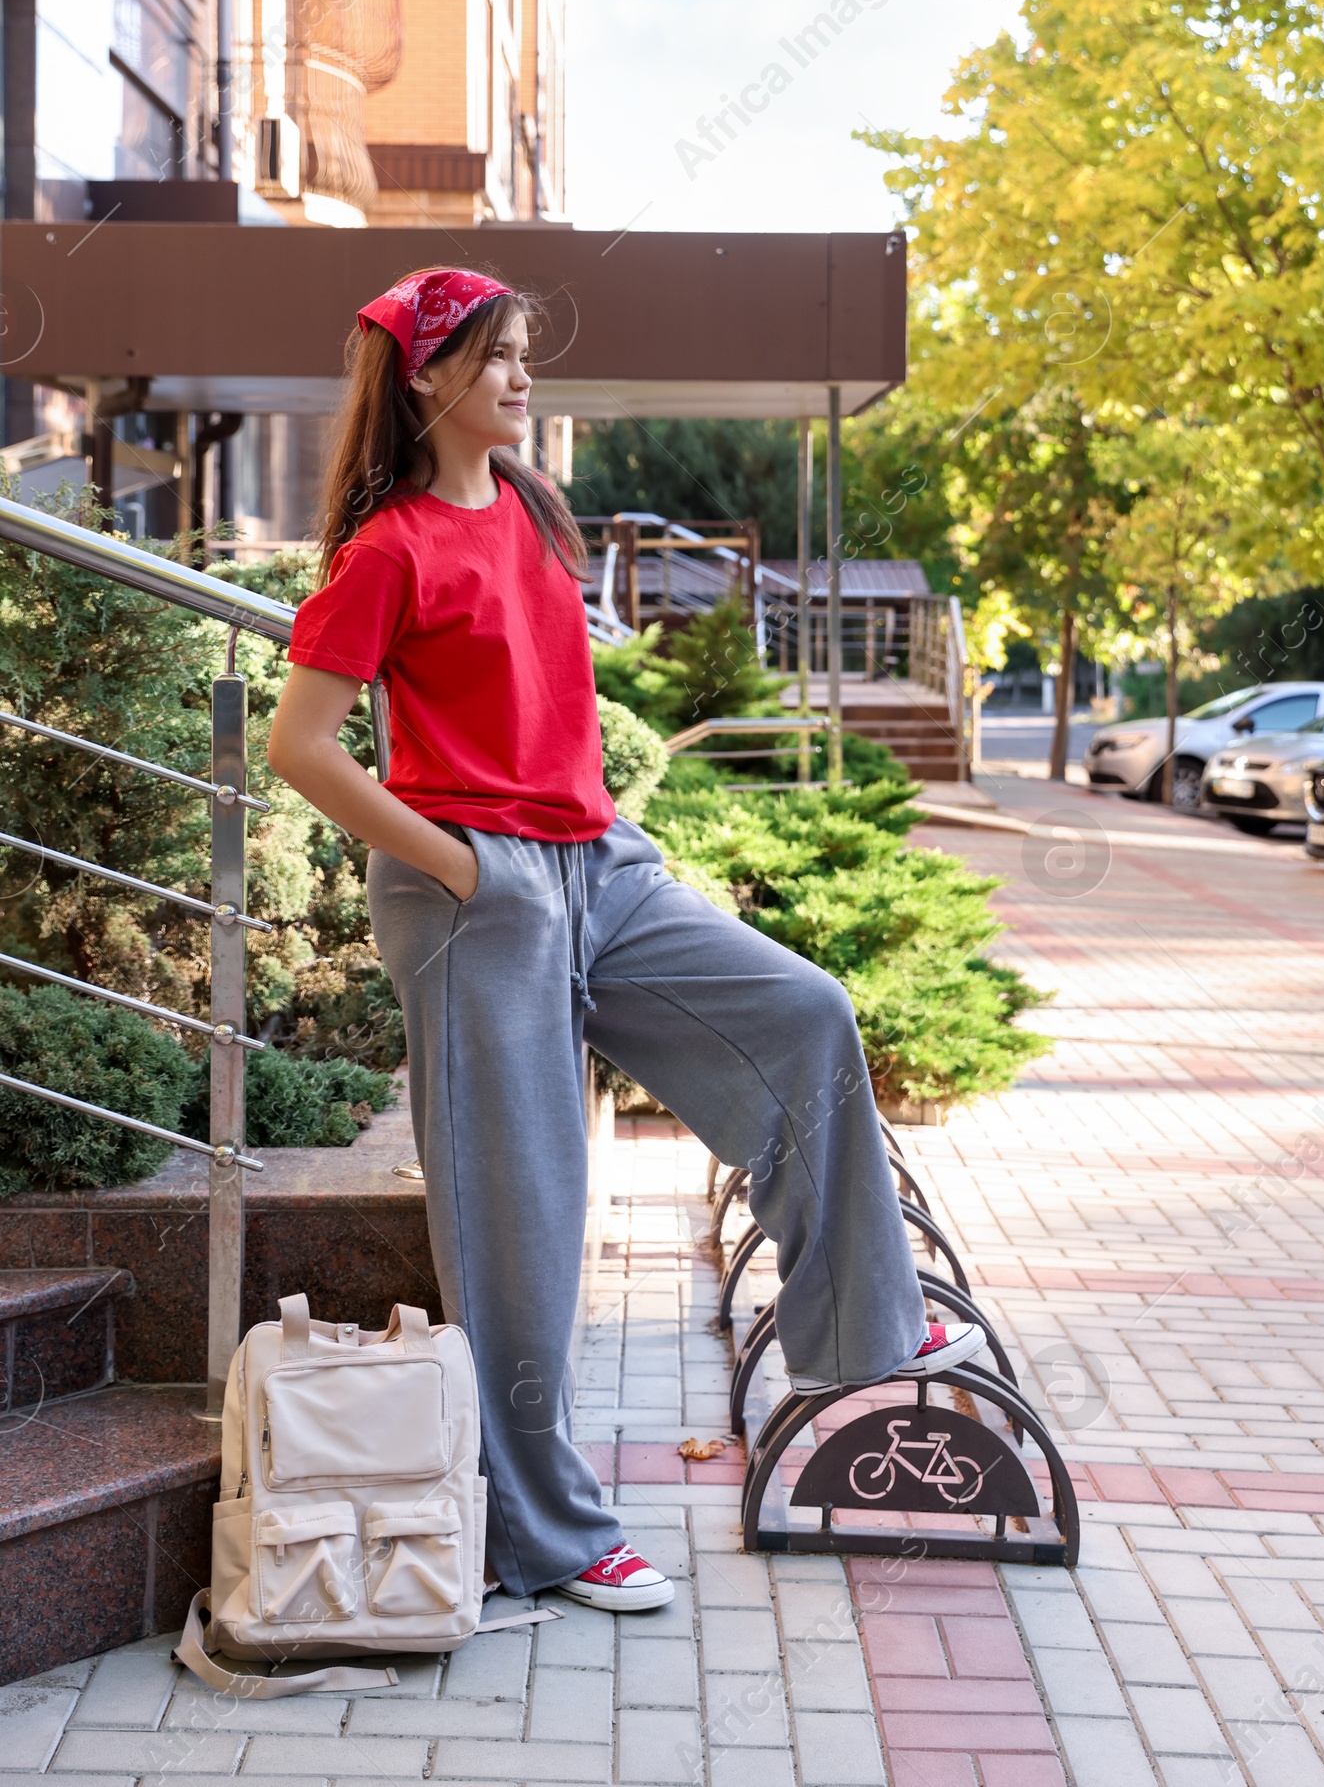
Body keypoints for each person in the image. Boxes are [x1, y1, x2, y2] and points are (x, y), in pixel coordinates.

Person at [267, 268, 983, 1611]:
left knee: (804, 1013)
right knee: (525, 1223)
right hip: (473, 898)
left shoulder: (535, 505)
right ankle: (546, 1536)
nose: (525, 379)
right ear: (426, 377)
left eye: (527, 355)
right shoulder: (385, 552)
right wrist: (474, 870)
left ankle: (859, 1332)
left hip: (599, 861)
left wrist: (583, 839)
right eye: (500, 358)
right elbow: (302, 749)